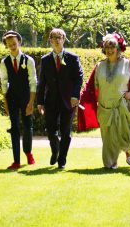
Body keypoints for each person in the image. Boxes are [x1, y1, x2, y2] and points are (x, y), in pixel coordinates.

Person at [79, 33, 130, 169]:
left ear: (118, 48)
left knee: (125, 133)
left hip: (123, 105)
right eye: (107, 48)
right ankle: (111, 163)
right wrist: (81, 98)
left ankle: (128, 152)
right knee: (108, 138)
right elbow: (90, 86)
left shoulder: (127, 64)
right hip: (105, 107)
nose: (110, 50)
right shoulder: (99, 66)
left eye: (112, 47)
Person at [36, 28, 84, 169]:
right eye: (54, 37)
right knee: (51, 131)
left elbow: (79, 78)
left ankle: (62, 159)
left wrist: (75, 95)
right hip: (50, 101)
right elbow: (41, 82)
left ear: (64, 39)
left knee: (66, 132)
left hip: (69, 101)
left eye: (59, 37)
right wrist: (40, 102)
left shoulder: (73, 58)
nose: (57, 40)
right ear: (50, 40)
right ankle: (55, 151)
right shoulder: (45, 60)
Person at [0, 30, 37, 170]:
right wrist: (6, 103)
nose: (12, 46)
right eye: (9, 44)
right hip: (12, 97)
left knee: (27, 126)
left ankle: (28, 152)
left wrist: (31, 102)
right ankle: (16, 161)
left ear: (19, 42)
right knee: (14, 128)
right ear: (6, 45)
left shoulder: (29, 60)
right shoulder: (4, 62)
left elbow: (33, 82)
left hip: (26, 96)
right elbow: (4, 83)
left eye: (14, 43)